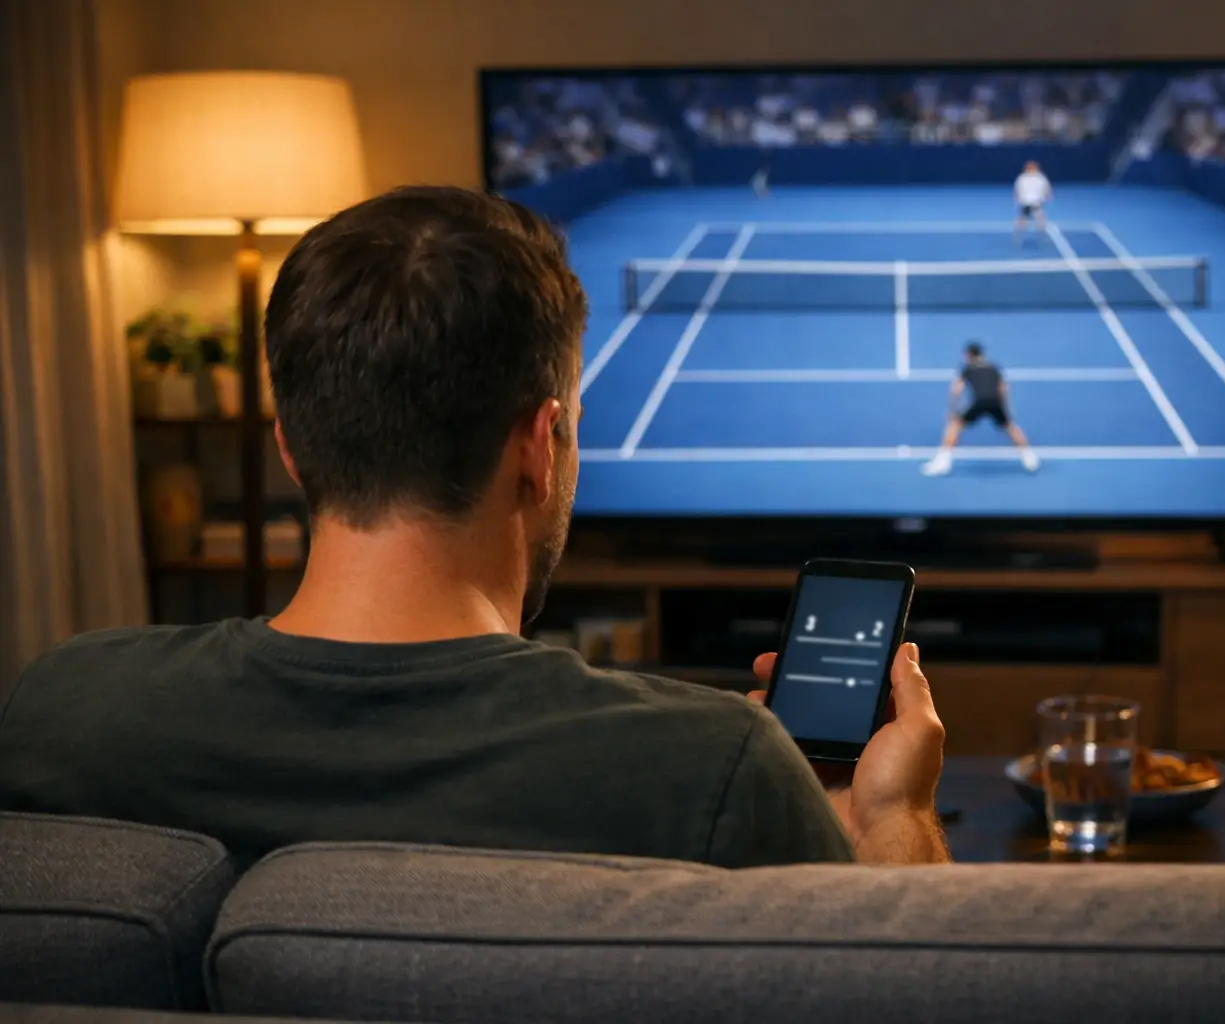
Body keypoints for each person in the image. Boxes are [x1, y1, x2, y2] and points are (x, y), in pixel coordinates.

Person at [0, 186, 949, 871]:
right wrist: (889, 819)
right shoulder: (717, 772)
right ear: (542, 443)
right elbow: (895, 991)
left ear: (290, 447)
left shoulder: (59, 715)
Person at [921, 341, 1040, 476]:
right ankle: (1030, 458)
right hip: (996, 402)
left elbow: (956, 390)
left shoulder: (967, 369)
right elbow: (1004, 389)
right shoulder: (994, 368)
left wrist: (953, 410)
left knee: (954, 425)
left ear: (968, 355)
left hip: (979, 402)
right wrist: (1005, 408)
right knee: (1010, 427)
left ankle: (943, 463)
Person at [1012, 159, 1053, 244]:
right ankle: (1017, 233)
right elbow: (1017, 188)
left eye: (1034, 168)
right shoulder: (1022, 178)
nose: (1032, 169)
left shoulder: (1041, 178)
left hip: (1037, 201)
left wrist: (1048, 195)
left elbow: (1046, 187)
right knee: (1023, 217)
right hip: (1026, 201)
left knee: (1040, 216)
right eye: (1030, 168)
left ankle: (1042, 231)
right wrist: (1017, 197)